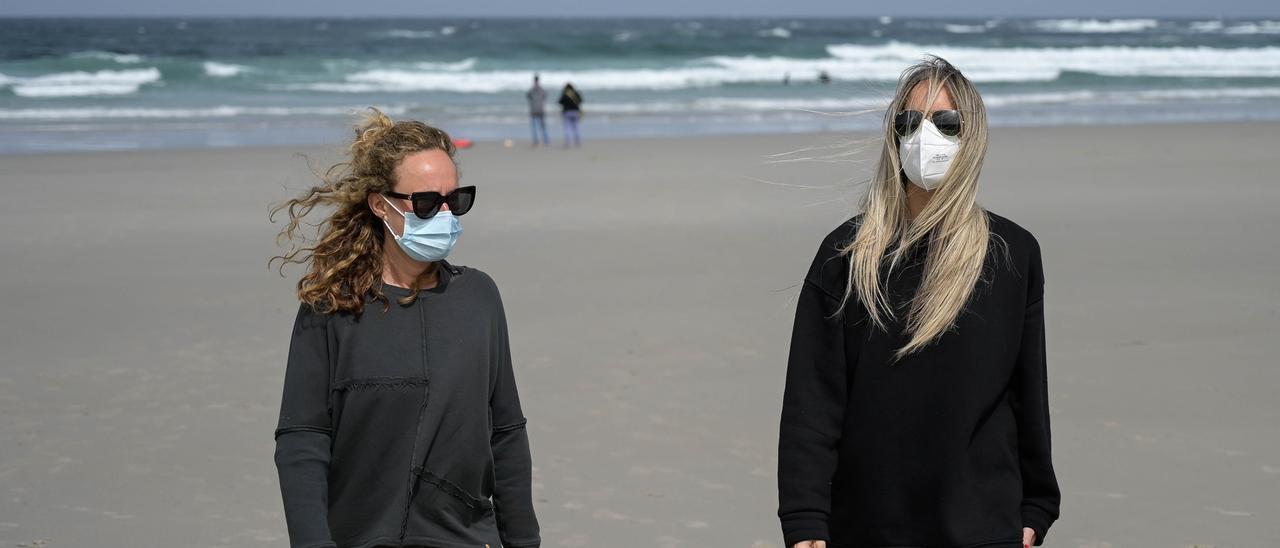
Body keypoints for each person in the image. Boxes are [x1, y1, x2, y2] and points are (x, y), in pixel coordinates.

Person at [777, 56, 1061, 548]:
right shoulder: (846, 256)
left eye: (945, 123)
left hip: (982, 525)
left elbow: (1027, 388)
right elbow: (813, 397)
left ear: (971, 136)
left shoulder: (1013, 253)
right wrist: (804, 518)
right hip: (866, 526)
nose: (923, 136)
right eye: (909, 122)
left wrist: (1038, 506)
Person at [270, 107, 540, 548]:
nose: (446, 214)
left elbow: (506, 431)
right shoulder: (332, 307)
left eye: (456, 200)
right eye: (429, 203)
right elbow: (303, 439)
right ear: (381, 204)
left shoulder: (479, 297)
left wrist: (524, 541)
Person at [527, 74, 550, 147]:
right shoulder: (542, 90)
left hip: (534, 110)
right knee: (543, 127)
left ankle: (536, 141)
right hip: (541, 110)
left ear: (534, 81)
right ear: (538, 80)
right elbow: (545, 97)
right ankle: (546, 141)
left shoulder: (531, 90)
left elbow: (528, 97)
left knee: (534, 127)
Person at [558, 82, 583, 148]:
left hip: (567, 112)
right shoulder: (576, 93)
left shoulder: (564, 94)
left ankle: (568, 142)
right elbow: (581, 100)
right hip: (575, 111)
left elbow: (560, 102)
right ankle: (578, 142)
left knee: (567, 127)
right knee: (576, 127)